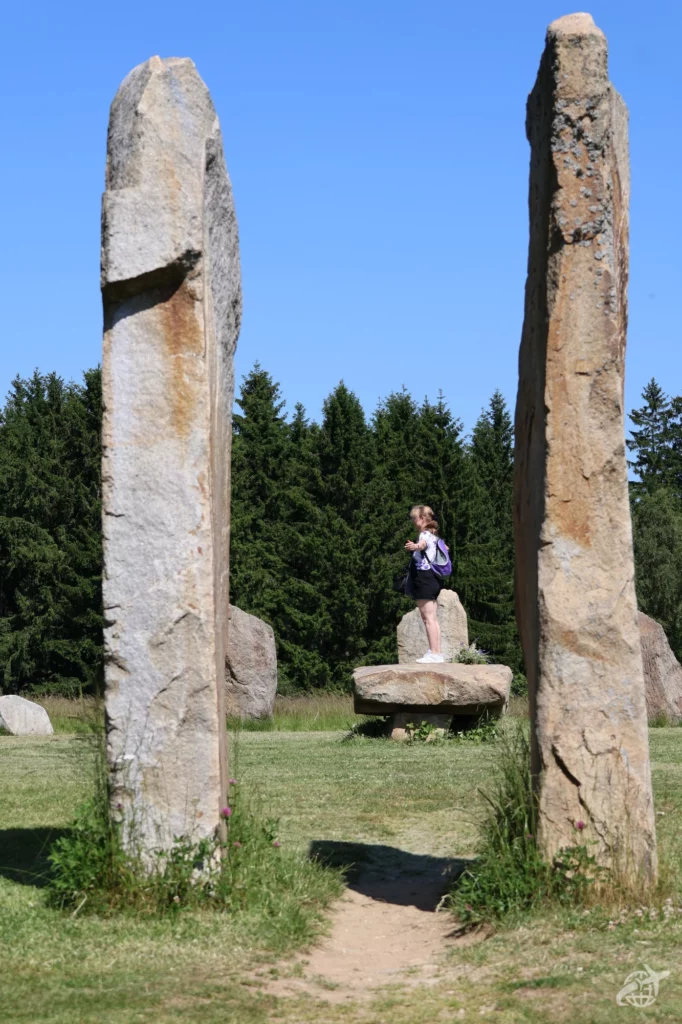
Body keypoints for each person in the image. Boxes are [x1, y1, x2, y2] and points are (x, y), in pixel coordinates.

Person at [404, 505, 444, 663]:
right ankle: (436, 652)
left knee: (428, 618)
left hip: (424, 579)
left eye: (414, 518)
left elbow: (422, 544)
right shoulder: (434, 535)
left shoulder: (425, 535)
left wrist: (416, 546)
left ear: (422, 518)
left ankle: (434, 654)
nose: (413, 521)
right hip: (433, 579)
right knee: (432, 618)